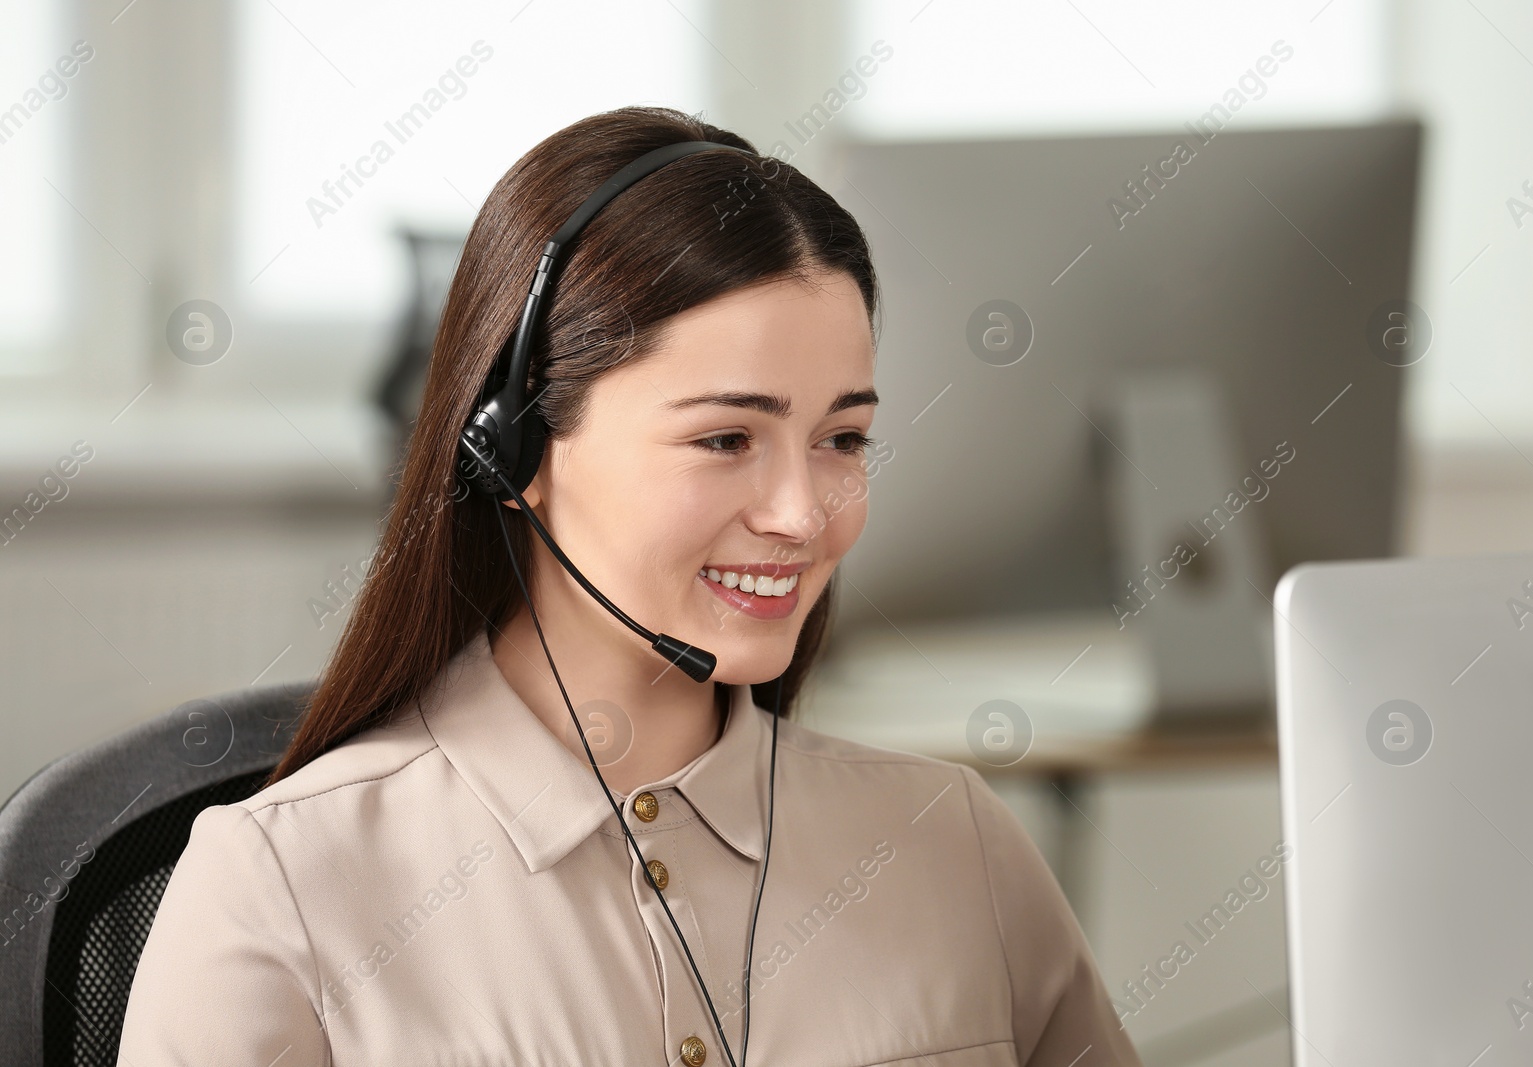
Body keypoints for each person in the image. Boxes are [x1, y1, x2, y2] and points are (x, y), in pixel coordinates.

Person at [117, 107, 1141, 1067]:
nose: (800, 511)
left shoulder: (951, 843)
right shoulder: (283, 885)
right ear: (509, 451)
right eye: (725, 437)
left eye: (841, 438)